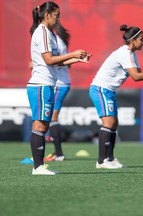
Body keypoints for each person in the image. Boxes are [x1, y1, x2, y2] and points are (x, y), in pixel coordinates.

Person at [89, 24, 143, 169]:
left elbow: (139, 75)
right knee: (109, 122)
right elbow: (136, 77)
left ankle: (110, 158)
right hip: (100, 89)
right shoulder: (124, 53)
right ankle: (101, 161)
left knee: (113, 123)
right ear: (132, 41)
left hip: (108, 90)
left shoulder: (132, 54)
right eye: (141, 39)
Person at [27, 1, 91, 175]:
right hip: (41, 84)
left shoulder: (49, 33)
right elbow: (49, 60)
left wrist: (77, 59)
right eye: (57, 15)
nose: (59, 18)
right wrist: (72, 54)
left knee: (43, 125)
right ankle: (38, 167)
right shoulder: (43, 33)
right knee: (40, 125)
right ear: (47, 15)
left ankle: (39, 166)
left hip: (47, 84)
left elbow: (57, 61)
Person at [44, 23, 72, 162]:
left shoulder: (57, 41)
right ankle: (57, 151)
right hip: (61, 83)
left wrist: (46, 63)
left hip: (61, 84)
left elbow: (65, 62)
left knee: (53, 117)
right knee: (51, 117)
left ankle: (58, 153)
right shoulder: (57, 40)